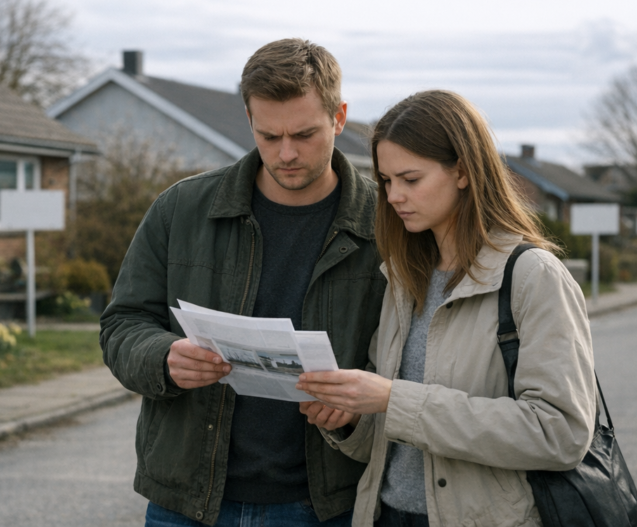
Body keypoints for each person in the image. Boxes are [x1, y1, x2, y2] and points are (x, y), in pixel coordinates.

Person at [99, 39, 388, 526]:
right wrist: (162, 357)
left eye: (304, 133)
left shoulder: (388, 225)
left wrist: (359, 412)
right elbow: (122, 324)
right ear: (249, 119)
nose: (287, 153)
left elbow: (418, 352)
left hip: (328, 503)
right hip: (188, 502)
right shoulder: (181, 209)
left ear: (339, 117)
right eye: (268, 135)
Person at [296, 90, 597, 527]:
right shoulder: (403, 278)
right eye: (386, 181)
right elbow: (390, 432)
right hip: (384, 516)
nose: (394, 195)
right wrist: (351, 419)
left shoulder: (533, 277)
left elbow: (561, 433)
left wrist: (393, 398)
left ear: (462, 171)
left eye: (411, 179)